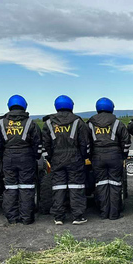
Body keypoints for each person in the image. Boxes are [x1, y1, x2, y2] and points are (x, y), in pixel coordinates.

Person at [0, 95, 42, 225]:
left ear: (9, 105)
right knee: (27, 187)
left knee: (10, 187)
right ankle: (26, 218)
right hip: (26, 158)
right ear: (24, 106)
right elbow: (37, 142)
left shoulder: (1, 123)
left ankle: (12, 218)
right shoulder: (31, 123)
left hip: (8, 157)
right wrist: (35, 156)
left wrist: (4, 154)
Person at [42, 95, 90, 225]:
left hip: (57, 159)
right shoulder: (78, 122)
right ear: (71, 106)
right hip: (75, 159)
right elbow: (84, 143)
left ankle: (58, 217)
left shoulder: (48, 123)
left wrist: (51, 158)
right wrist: (82, 157)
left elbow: (45, 145)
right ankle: (77, 216)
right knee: (76, 187)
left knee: (58, 187)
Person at [87, 97, 130, 220]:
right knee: (115, 184)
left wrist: (90, 155)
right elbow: (126, 142)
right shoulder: (118, 123)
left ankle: (103, 212)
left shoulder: (90, 123)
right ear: (111, 107)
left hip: (97, 157)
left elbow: (86, 142)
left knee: (101, 184)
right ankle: (114, 214)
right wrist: (123, 155)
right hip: (115, 156)